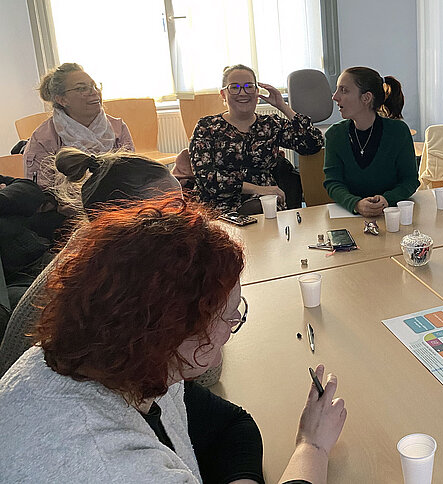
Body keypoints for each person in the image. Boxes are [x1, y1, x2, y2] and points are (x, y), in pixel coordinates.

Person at [0, 199, 347, 483]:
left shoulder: (129, 361)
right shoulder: (111, 464)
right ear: (170, 329)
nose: (235, 323)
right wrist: (312, 448)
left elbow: (231, 426)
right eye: (226, 315)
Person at [190, 64, 323, 213]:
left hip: (266, 205)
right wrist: (258, 189)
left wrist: (283, 106)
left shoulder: (270, 125)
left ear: (257, 92)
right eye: (234, 87)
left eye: (249, 86)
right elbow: (206, 178)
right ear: (223, 94)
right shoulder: (206, 127)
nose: (243, 93)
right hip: (219, 206)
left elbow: (313, 143)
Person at [324, 67, 419, 217]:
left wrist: (388, 199)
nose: (335, 97)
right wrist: (355, 203)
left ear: (366, 98)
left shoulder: (398, 132)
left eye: (344, 90)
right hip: (350, 217)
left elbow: (410, 181)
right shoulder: (334, 135)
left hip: (392, 216)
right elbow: (333, 183)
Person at [23, 63, 134, 189]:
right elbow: (41, 195)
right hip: (65, 206)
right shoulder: (42, 140)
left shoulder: (118, 128)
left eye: (94, 86)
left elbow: (132, 176)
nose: (94, 92)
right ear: (62, 100)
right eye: (82, 88)